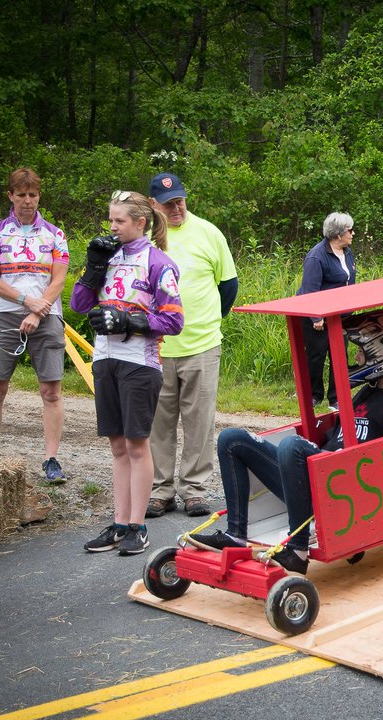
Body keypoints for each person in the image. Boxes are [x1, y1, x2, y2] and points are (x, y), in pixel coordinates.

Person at [186, 310, 383, 574]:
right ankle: (235, 535)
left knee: (291, 446)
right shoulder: (365, 393)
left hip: (348, 490)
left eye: (361, 351)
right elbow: (334, 438)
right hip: (318, 483)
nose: (356, 357)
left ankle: (298, 550)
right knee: (231, 439)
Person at [72, 191, 184, 556]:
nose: (113, 227)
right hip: (105, 358)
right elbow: (78, 305)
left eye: (120, 221)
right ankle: (120, 523)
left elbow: (173, 320)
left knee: (137, 445)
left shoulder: (159, 262)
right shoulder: (108, 255)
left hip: (140, 363)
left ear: (141, 222)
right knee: (117, 445)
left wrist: (131, 320)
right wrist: (92, 269)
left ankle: (138, 526)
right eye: (111, 220)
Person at [145, 173, 238, 519]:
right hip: (156, 348)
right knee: (159, 422)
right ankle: (160, 489)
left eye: (180, 200)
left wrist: (209, 320)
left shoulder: (209, 233)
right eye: (168, 204)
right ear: (153, 205)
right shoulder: (146, 239)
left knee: (199, 420)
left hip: (201, 344)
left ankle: (194, 489)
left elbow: (228, 286)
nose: (177, 208)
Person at [0, 167, 70, 484]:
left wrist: (38, 309)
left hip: (47, 315)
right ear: (11, 196)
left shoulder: (55, 235)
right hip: (5, 313)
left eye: (33, 195)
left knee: (51, 391)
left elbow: (58, 280)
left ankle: (51, 459)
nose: (28, 201)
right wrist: (25, 302)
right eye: (21, 195)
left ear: (39, 195)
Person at [297, 212, 358, 409]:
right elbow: (309, 291)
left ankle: (336, 397)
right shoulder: (316, 256)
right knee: (316, 355)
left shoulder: (347, 252)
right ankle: (314, 395)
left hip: (338, 315)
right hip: (316, 315)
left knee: (339, 355)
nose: (353, 233)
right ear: (338, 234)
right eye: (349, 230)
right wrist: (316, 317)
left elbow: (350, 282)